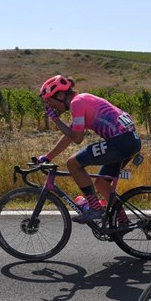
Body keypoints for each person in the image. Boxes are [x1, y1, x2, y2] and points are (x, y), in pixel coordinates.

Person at [37, 75, 141, 226]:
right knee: (102, 184)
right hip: (130, 140)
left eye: (50, 102)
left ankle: (94, 208)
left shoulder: (77, 103)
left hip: (120, 142)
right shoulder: (83, 99)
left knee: (73, 164)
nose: (51, 107)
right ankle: (123, 222)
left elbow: (77, 138)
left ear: (60, 95)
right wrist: (48, 157)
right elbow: (70, 136)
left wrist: (56, 120)